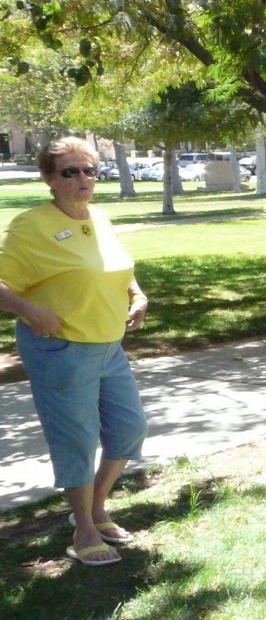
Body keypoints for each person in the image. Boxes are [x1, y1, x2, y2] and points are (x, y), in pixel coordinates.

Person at [0, 137, 149, 566]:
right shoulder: (30, 226)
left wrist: (137, 296)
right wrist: (29, 311)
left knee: (129, 428)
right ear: (48, 178)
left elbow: (121, 269)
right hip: (60, 348)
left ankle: (95, 506)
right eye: (71, 171)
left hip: (109, 345)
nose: (83, 179)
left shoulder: (98, 217)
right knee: (77, 440)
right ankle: (84, 527)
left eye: (89, 171)